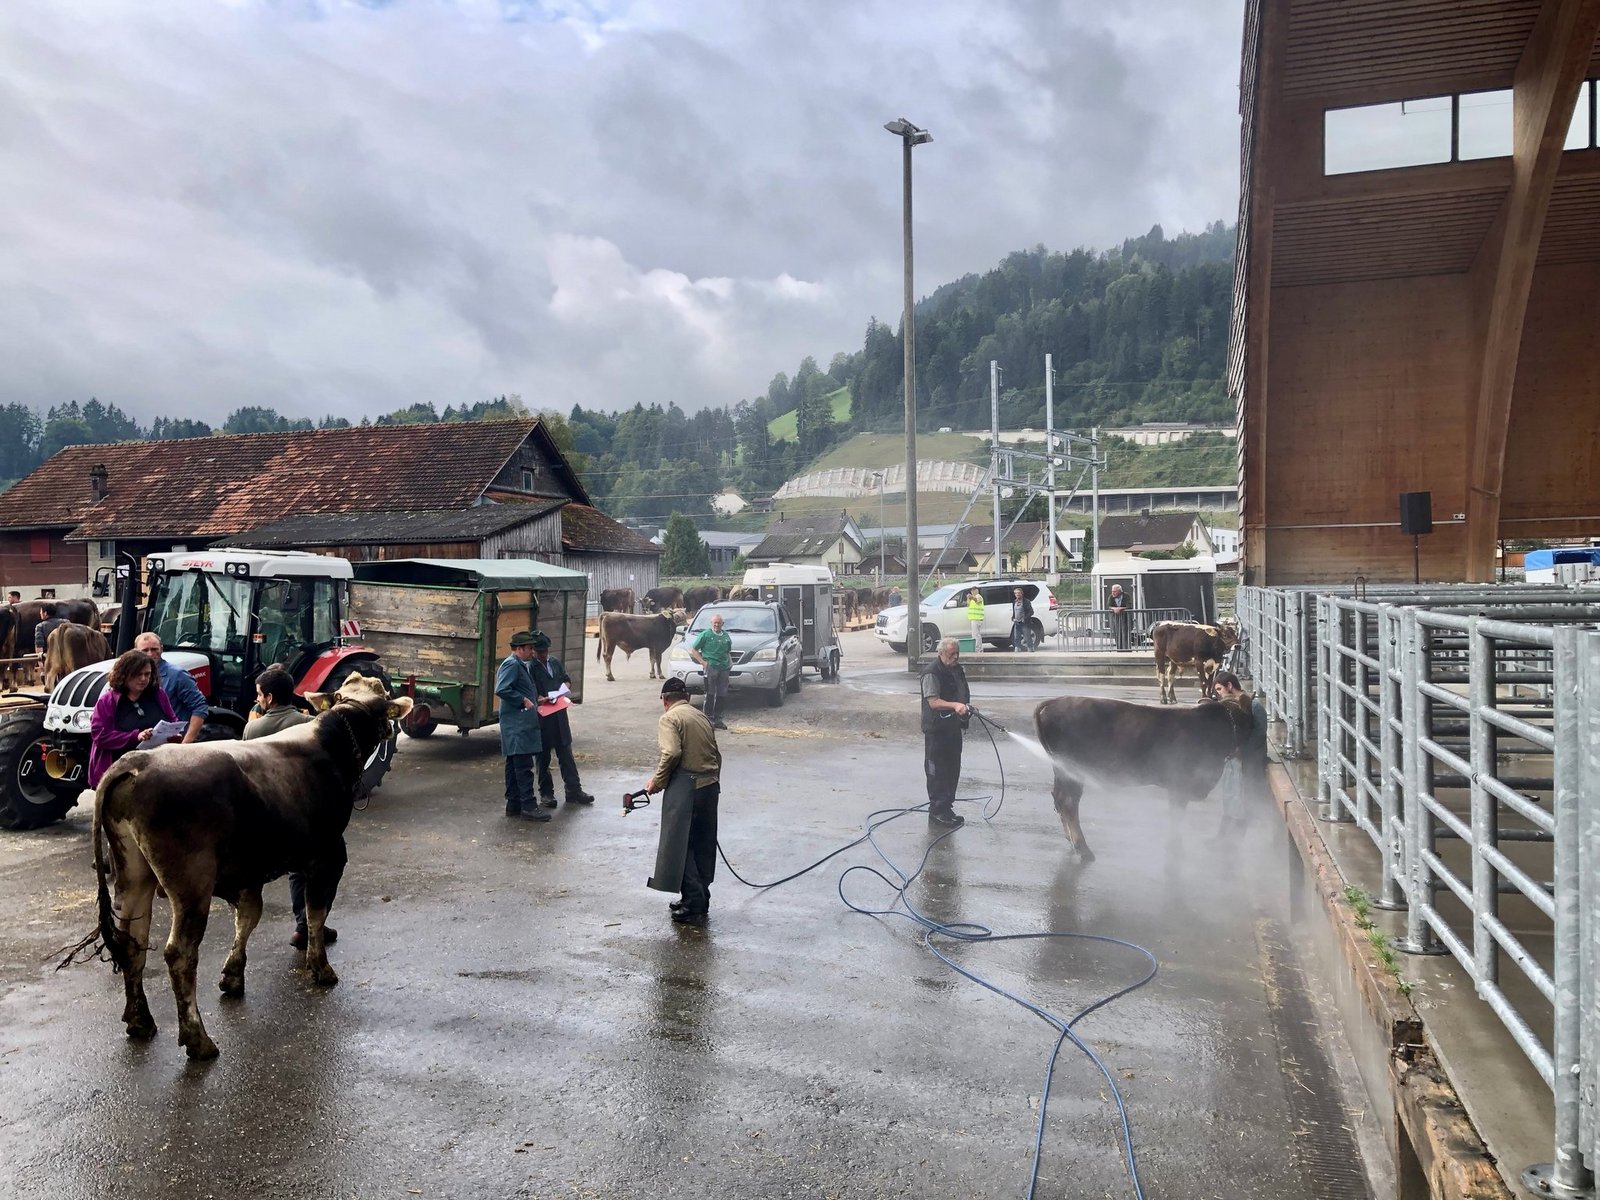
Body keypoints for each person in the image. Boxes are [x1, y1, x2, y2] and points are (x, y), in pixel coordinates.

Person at [243, 665, 336, 950]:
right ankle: (308, 924)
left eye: (259, 694)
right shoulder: (310, 724)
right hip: (304, 811)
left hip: (266, 810)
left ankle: (301, 926)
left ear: (269, 698)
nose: (257, 699)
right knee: (325, 862)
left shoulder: (253, 728)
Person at [640, 677, 722, 926]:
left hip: (688, 788)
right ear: (686, 697)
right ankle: (698, 899)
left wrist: (658, 781)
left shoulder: (670, 718)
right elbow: (717, 753)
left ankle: (694, 905)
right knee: (702, 844)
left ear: (664, 700)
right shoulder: (701, 715)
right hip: (710, 786)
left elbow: (672, 752)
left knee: (681, 846)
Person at [88, 650, 178, 786]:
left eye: (147, 674)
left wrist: (174, 734)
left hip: (155, 769)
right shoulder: (107, 701)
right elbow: (100, 736)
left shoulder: (158, 695)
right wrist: (136, 736)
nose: (143, 679)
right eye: (137, 674)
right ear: (124, 675)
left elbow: (172, 720)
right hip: (117, 772)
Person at [528, 631, 596, 808]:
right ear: (533, 651)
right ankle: (546, 793)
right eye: (539, 652)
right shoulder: (530, 668)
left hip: (559, 714)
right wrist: (540, 698)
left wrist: (564, 688)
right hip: (543, 717)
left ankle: (574, 790)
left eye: (545, 651)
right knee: (543, 758)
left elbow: (566, 679)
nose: (543, 655)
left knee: (566, 754)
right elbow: (530, 691)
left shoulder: (555, 663)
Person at [495, 630, 547, 821]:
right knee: (524, 766)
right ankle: (529, 806)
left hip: (518, 723)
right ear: (519, 649)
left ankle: (514, 804)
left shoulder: (519, 664)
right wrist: (523, 700)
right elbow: (502, 689)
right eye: (530, 648)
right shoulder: (512, 664)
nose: (533, 652)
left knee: (513, 764)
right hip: (517, 725)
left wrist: (536, 698)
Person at [921, 637, 972, 829]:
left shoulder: (956, 670)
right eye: (952, 654)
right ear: (941, 653)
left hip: (953, 728)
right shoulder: (932, 673)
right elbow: (933, 702)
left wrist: (966, 707)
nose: (955, 657)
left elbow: (961, 692)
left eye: (957, 653)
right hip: (936, 731)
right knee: (938, 771)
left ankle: (947, 807)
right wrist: (955, 705)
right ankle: (937, 810)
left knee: (952, 769)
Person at [1214, 671, 1269, 829]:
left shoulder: (1254, 705)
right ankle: (1226, 832)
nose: (1218, 694)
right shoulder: (1228, 705)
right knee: (1230, 795)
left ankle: (1240, 832)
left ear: (1229, 685)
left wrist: (1242, 751)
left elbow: (1260, 733)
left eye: (1219, 689)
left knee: (1246, 797)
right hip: (1233, 759)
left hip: (1250, 759)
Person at [134, 632, 208, 743]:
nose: (150, 654)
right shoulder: (131, 677)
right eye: (145, 650)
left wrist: (186, 743)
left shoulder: (178, 675)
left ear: (161, 649)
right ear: (136, 652)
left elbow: (200, 707)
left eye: (154, 649)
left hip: (170, 743)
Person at [689, 611, 733, 730]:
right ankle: (708, 719)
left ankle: (718, 718)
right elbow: (694, 649)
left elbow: (728, 651)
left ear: (722, 623)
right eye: (715, 623)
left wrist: (730, 664)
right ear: (711, 623)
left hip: (724, 668)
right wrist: (703, 663)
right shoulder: (705, 635)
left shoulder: (726, 636)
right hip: (711, 667)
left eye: (719, 623)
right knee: (710, 693)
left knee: (722, 693)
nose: (716, 625)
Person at [1010, 587, 1035, 652]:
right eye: (1015, 593)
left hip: (1025, 622)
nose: (1017, 594)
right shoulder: (1014, 602)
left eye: (1018, 593)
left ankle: (1030, 648)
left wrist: (1025, 618)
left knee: (1027, 636)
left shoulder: (1026, 601)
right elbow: (1014, 612)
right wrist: (1013, 618)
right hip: (1017, 622)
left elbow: (1031, 612)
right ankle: (1017, 648)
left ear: (1022, 593)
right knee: (1016, 637)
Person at [1107, 583, 1131, 652]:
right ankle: (1119, 649)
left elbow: (1129, 606)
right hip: (1115, 619)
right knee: (1117, 633)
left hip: (1125, 618)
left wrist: (1120, 609)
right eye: (1112, 591)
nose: (1113, 593)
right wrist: (1114, 609)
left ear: (1119, 591)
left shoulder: (1126, 596)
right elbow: (1108, 606)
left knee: (1125, 633)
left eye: (1114, 591)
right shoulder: (1111, 597)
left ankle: (1127, 649)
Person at [966, 588, 986, 653]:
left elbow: (976, 600)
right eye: (971, 591)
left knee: (976, 635)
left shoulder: (978, 596)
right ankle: (979, 649)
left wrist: (971, 597)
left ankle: (978, 649)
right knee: (976, 635)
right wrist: (968, 598)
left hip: (977, 619)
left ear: (976, 591)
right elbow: (968, 604)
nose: (972, 592)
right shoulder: (972, 598)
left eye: (973, 590)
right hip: (974, 619)